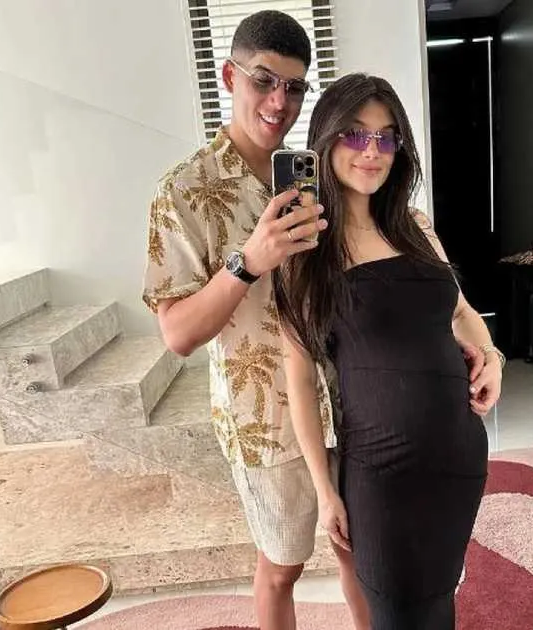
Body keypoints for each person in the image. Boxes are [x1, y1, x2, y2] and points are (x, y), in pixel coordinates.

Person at [141, 11, 369, 630]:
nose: (279, 102)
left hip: (350, 394)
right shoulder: (182, 192)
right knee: (282, 567)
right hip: (264, 418)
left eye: (294, 87)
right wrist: (248, 262)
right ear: (228, 77)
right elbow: (177, 334)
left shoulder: (315, 173)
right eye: (264, 80)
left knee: (359, 552)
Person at [275, 73, 504, 629]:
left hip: (457, 458)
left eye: (386, 137)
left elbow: (463, 313)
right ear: (326, 139)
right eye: (355, 134)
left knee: (438, 601)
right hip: (381, 472)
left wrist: (492, 357)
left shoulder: (415, 227)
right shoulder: (305, 247)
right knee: (397, 611)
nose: (371, 151)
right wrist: (325, 492)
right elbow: (299, 380)